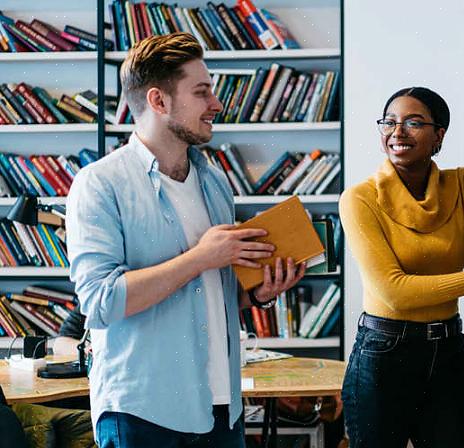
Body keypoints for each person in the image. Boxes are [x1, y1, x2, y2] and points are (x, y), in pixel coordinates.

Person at [67, 32, 305, 447]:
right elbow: (101, 302)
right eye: (202, 92)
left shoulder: (214, 180)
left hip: (220, 407)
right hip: (142, 410)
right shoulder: (99, 184)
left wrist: (258, 295)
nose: (216, 104)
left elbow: (206, 295)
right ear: (159, 102)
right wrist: (200, 257)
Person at [339, 70, 464, 447]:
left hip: (448, 351)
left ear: (439, 135)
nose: (397, 131)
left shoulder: (459, 185)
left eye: (413, 122)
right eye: (389, 122)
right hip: (384, 356)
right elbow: (395, 293)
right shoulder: (359, 199)